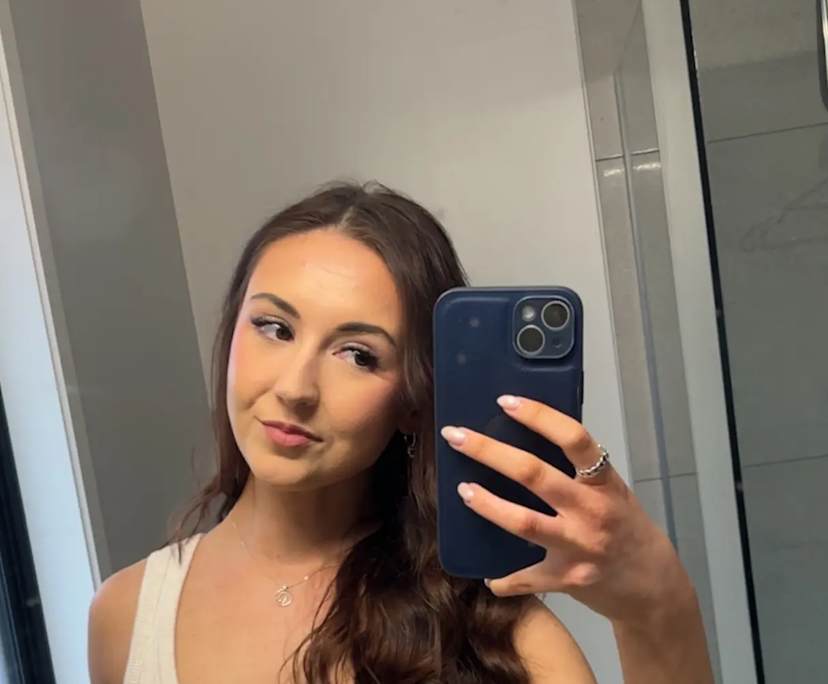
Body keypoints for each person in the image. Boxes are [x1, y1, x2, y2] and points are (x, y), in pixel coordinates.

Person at [87, 181, 714, 683]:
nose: (296, 387)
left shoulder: (490, 638)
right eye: (275, 328)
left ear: (413, 403)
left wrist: (659, 604)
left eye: (359, 355)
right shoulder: (126, 617)